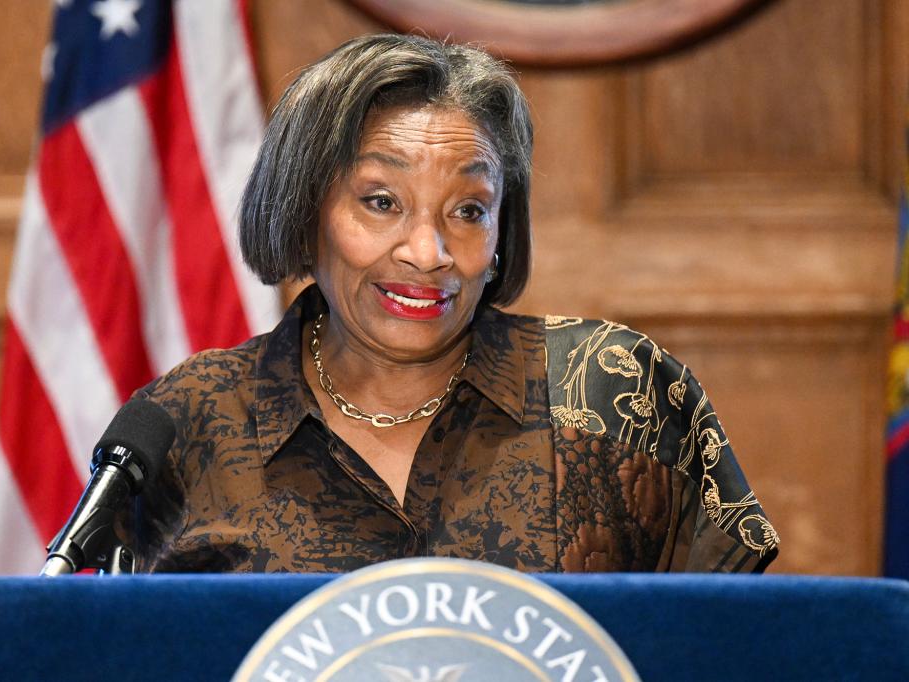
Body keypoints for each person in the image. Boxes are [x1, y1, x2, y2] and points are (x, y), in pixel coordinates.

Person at [123, 34, 778, 574]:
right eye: (381, 202)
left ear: (501, 235)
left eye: (469, 210)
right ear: (304, 213)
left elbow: (728, 643)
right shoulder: (191, 419)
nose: (429, 251)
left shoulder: (614, 388)